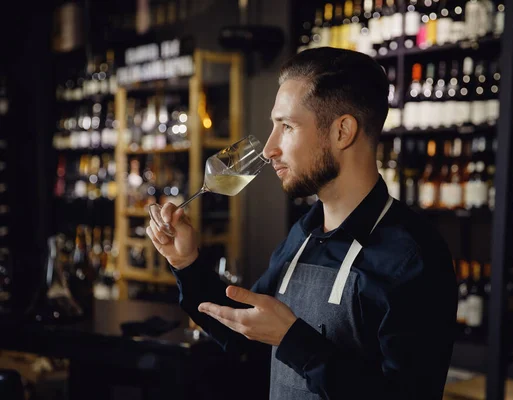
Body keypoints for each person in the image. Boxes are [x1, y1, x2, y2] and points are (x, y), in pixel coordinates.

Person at [146, 47, 458, 399]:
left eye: (287, 126)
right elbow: (242, 331)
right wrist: (187, 263)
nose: (268, 149)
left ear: (343, 132)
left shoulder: (415, 257)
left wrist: (294, 339)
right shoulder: (304, 233)